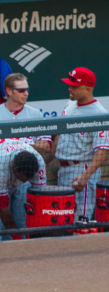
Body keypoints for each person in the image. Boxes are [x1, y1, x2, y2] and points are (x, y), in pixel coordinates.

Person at [0, 73, 50, 228]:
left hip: (24, 177)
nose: (26, 93)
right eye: (21, 90)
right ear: (9, 91)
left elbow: (46, 146)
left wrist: (26, 145)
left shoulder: (35, 114)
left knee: (23, 222)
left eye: (27, 89)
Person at [52, 67, 109, 221]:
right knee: (64, 219)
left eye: (74, 86)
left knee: (80, 221)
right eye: (70, 84)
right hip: (63, 169)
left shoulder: (99, 114)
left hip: (81, 168)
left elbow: (103, 150)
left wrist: (85, 176)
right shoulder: (69, 105)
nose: (69, 88)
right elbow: (59, 137)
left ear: (87, 89)